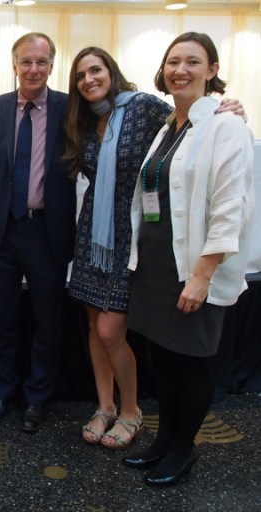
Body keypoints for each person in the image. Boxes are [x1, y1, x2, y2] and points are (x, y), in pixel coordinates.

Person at [63, 48, 245, 451]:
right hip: (93, 231)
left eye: (96, 70)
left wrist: (227, 107)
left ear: (111, 70)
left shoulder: (144, 107)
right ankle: (105, 406)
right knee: (94, 326)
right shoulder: (83, 119)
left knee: (112, 331)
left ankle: (132, 411)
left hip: (131, 235)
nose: (89, 79)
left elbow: (191, 119)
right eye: (80, 75)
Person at [123, 32, 254, 487]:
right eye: (173, 61)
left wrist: (203, 275)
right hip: (157, 263)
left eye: (193, 62)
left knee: (192, 359)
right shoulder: (168, 125)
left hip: (194, 267)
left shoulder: (226, 125)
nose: (181, 70)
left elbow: (229, 207)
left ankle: (184, 448)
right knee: (165, 357)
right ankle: (163, 440)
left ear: (212, 70)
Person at [0, 33, 77, 432]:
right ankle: (1, 393)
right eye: (26, 61)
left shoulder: (70, 107)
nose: (34, 69)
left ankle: (37, 399)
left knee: (48, 320)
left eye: (42, 62)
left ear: (52, 65)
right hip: (3, 231)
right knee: (1, 317)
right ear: (14, 65)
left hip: (47, 231)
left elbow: (118, 107)